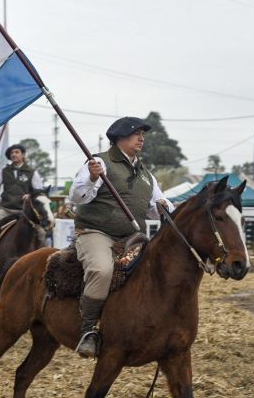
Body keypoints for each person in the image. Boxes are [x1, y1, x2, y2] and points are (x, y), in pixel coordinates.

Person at [69, 116, 175, 358]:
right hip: (96, 232)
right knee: (101, 270)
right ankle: (88, 331)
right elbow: (76, 196)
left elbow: (156, 205)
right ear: (119, 138)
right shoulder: (98, 162)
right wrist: (94, 177)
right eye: (136, 134)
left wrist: (164, 206)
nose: (142, 138)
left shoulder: (147, 175)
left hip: (130, 238)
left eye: (142, 134)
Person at [0, 143, 44, 272]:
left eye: (17, 152)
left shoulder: (32, 172)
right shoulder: (4, 171)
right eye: (12, 153)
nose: (14, 154)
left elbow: (40, 191)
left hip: (24, 211)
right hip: (6, 209)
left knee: (41, 231)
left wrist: (30, 195)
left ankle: (41, 258)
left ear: (23, 155)